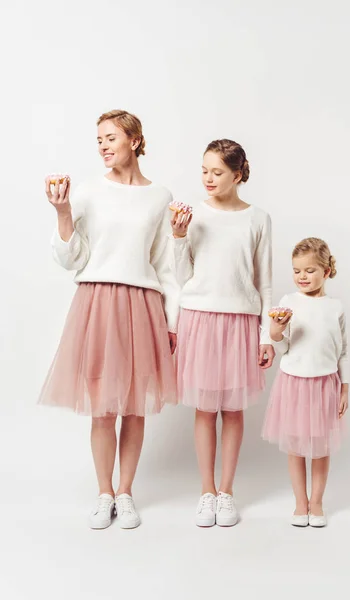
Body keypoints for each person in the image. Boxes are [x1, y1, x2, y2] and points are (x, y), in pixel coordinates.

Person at [39, 110, 179, 530]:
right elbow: (69, 257)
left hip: (142, 303)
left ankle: (126, 493)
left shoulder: (160, 197)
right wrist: (63, 211)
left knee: (134, 408)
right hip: (98, 301)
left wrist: (171, 323)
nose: (102, 145)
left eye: (111, 137)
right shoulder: (88, 192)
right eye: (98, 138)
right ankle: (104, 493)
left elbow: (166, 267)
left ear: (135, 140)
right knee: (103, 408)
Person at [170, 139, 275, 527]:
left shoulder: (258, 218)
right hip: (199, 316)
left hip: (240, 320)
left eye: (217, 172)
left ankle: (227, 492)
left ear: (238, 174)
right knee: (204, 408)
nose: (208, 179)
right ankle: (206, 492)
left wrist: (266, 336)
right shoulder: (191, 214)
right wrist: (178, 237)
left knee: (232, 410)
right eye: (204, 171)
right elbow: (180, 277)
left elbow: (263, 281)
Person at [262, 237, 349, 527]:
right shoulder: (288, 303)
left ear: (326, 271)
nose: (302, 276)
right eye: (297, 270)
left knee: (321, 447)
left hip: (325, 384)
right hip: (294, 383)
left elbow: (343, 351)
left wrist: (345, 385)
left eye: (310, 270)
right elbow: (284, 347)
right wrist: (275, 332)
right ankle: (300, 502)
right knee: (297, 446)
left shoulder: (335, 307)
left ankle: (317, 502)